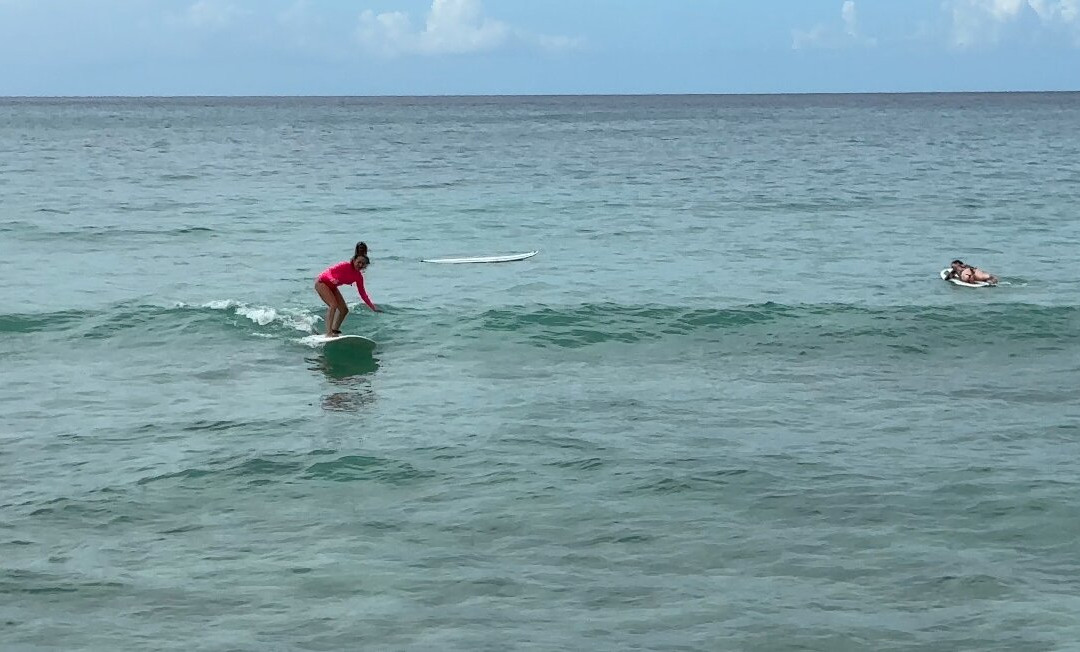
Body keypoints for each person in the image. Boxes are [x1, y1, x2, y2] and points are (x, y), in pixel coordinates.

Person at [315, 242, 380, 337]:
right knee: (333, 305)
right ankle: (328, 333)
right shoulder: (344, 266)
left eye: (363, 264)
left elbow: (363, 294)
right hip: (322, 283)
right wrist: (331, 278)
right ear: (354, 261)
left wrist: (372, 307)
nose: (360, 265)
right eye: (359, 262)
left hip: (332, 287)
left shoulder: (358, 277)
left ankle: (334, 330)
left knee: (344, 310)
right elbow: (329, 272)